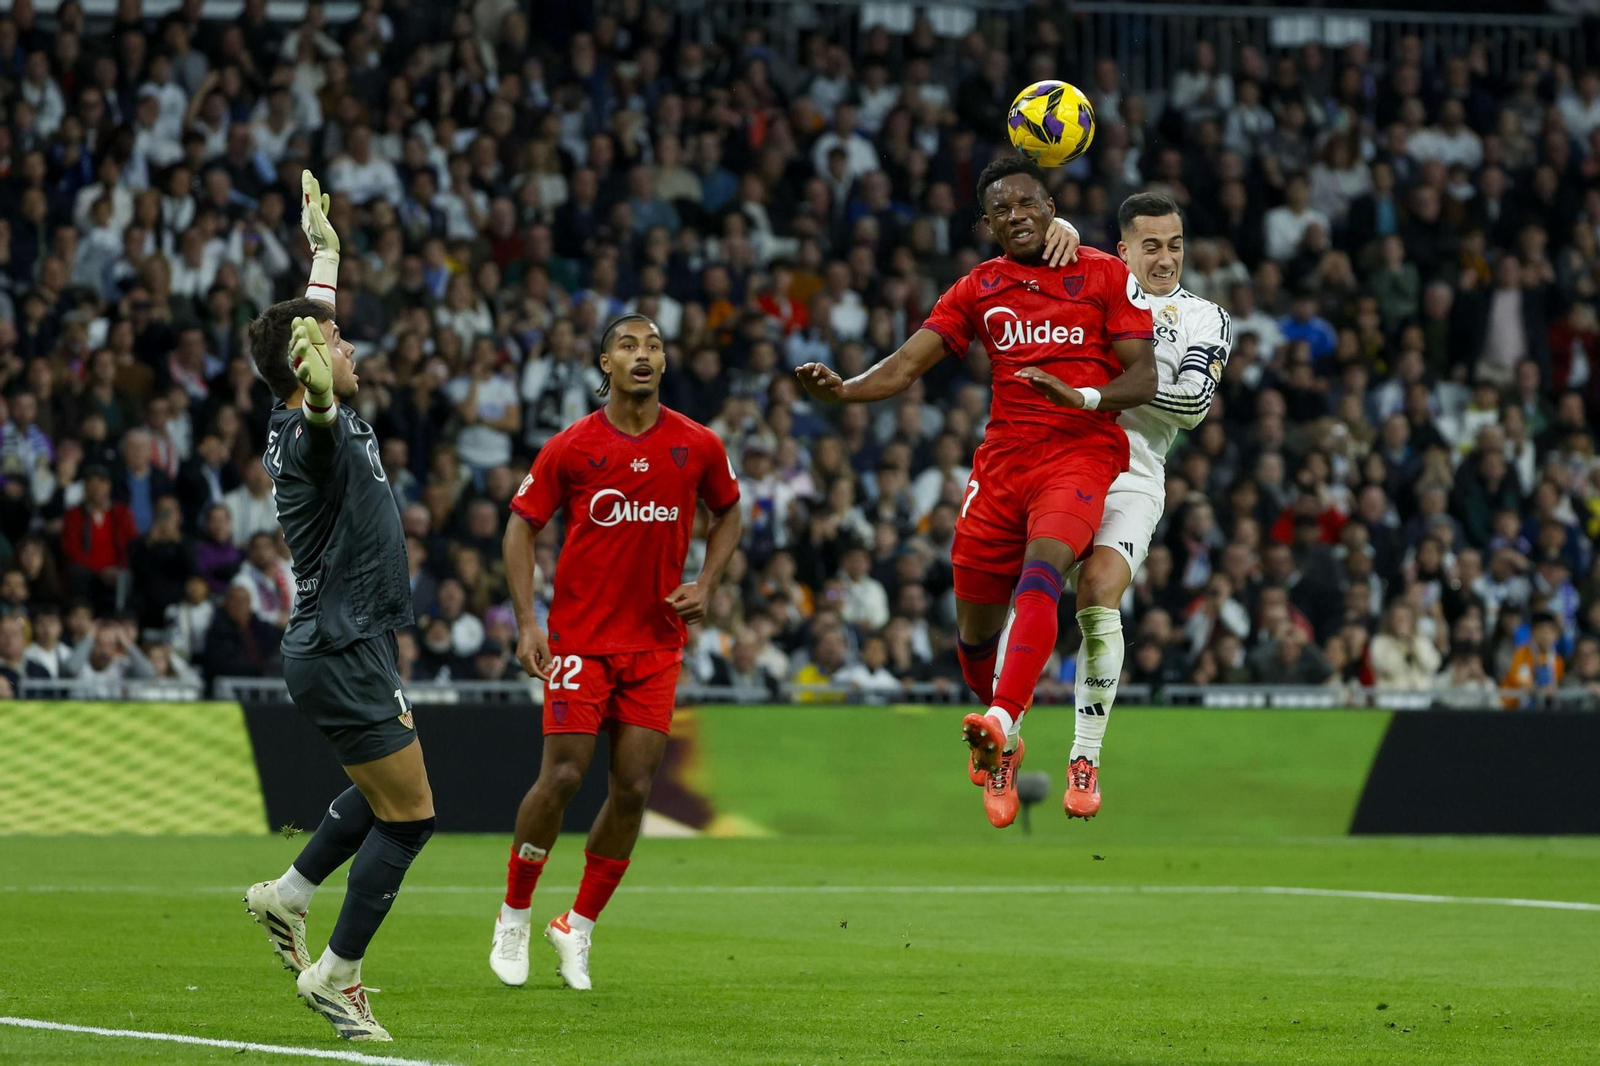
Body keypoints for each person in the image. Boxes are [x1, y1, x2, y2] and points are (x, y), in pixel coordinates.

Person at [797, 155, 1156, 828]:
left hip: (1080, 453)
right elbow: (907, 364)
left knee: (1045, 568)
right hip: (1001, 468)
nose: (1016, 215)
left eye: (1027, 202)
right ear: (987, 224)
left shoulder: (1104, 273)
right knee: (974, 634)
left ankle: (1000, 718)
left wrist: (1081, 396)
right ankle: (1001, 744)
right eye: (1002, 210)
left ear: (1052, 205)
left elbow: (1144, 380)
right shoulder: (979, 287)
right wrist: (846, 389)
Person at [491, 313, 741, 991]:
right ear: (604, 363)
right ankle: (515, 913)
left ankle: (577, 926)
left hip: (656, 645)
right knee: (565, 776)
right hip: (580, 640)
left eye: (653, 346)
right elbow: (521, 529)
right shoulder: (572, 448)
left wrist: (707, 582)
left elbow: (729, 511)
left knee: (632, 788)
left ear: (663, 363)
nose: (643, 354)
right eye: (628, 345)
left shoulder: (698, 445)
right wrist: (527, 622)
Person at [239, 173, 433, 1044]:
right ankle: (337, 977)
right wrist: (320, 392)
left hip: (343, 640)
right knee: (412, 816)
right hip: (341, 641)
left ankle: (289, 897)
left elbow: (307, 346)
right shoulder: (307, 424)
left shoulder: (300, 401)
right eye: (336, 341)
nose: (349, 348)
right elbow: (317, 407)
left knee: (378, 795)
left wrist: (325, 254)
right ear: (306, 369)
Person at [993, 192, 1233, 820]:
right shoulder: (1089, 282)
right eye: (1150, 245)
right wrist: (1059, 228)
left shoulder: (1204, 317)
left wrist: (1093, 393)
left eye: (1175, 244)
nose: (1166, 258)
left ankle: (1086, 757)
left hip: (1132, 473)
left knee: (1099, 591)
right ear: (1124, 249)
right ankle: (1005, 743)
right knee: (1032, 587)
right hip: (1056, 460)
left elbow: (1193, 403)